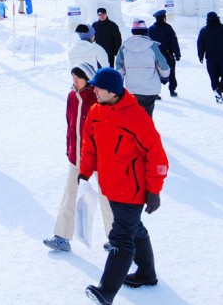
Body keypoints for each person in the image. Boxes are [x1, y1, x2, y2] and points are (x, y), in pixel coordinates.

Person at [80, 67, 169, 305]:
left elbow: (157, 156)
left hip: (133, 189)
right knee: (134, 228)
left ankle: (105, 292)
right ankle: (147, 274)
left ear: (112, 90)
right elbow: (90, 146)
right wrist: (84, 172)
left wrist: (154, 191)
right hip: (109, 186)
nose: (94, 91)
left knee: (121, 239)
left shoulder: (136, 117)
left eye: (98, 87)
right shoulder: (96, 112)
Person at [43, 62, 106, 253]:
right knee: (69, 194)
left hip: (98, 157)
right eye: (73, 77)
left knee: (107, 197)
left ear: (88, 78)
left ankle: (117, 238)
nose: (75, 81)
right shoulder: (72, 96)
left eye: (79, 77)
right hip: (76, 156)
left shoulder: (97, 96)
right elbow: (70, 125)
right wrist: (69, 148)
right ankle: (61, 236)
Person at [115, 19, 169, 117]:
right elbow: (162, 63)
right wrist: (165, 75)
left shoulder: (125, 46)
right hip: (149, 88)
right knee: (147, 116)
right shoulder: (152, 46)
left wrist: (120, 82)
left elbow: (119, 66)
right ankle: (146, 131)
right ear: (145, 31)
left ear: (133, 31)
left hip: (132, 88)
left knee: (134, 115)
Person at [196, 12, 223, 103]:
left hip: (210, 58)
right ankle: (220, 89)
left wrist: (201, 56)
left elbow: (200, 44)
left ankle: (217, 93)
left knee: (214, 77)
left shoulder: (204, 30)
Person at [147, 10, 181, 97]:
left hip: (154, 56)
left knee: (155, 73)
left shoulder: (150, 29)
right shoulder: (168, 28)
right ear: (163, 18)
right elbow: (174, 41)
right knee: (171, 72)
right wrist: (177, 54)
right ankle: (172, 90)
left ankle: (155, 93)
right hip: (167, 55)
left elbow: (147, 42)